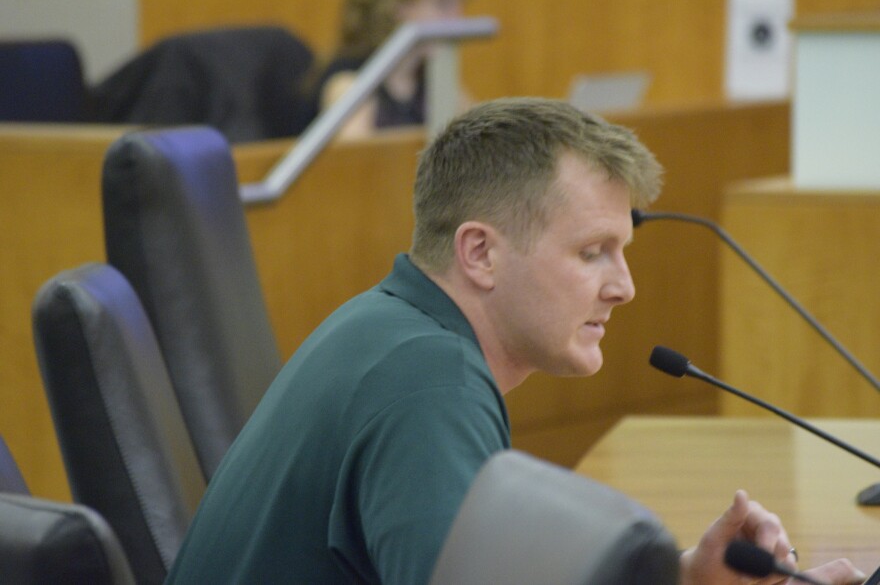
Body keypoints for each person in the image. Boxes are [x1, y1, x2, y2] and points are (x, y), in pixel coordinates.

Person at [165, 98, 865, 584]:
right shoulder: (426, 377)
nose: (624, 287)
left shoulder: (397, 333)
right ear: (480, 253)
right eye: (593, 251)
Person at [314, 0, 471, 139]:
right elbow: (357, 165)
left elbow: (483, 144)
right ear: (399, 8)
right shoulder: (349, 84)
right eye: (443, 5)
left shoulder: (436, 83)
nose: (457, 17)